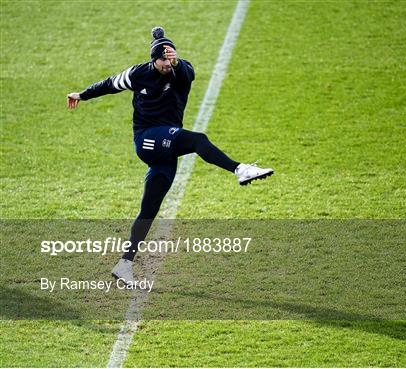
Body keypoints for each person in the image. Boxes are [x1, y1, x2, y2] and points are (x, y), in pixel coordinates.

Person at [67, 27, 273, 286]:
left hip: (166, 146)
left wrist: (177, 61)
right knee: (198, 140)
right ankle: (239, 169)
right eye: (163, 59)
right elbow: (110, 84)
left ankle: (124, 264)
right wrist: (82, 95)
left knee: (149, 209)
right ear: (154, 59)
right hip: (147, 138)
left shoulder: (182, 71)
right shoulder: (138, 73)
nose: (167, 64)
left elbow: (188, 72)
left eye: (170, 59)